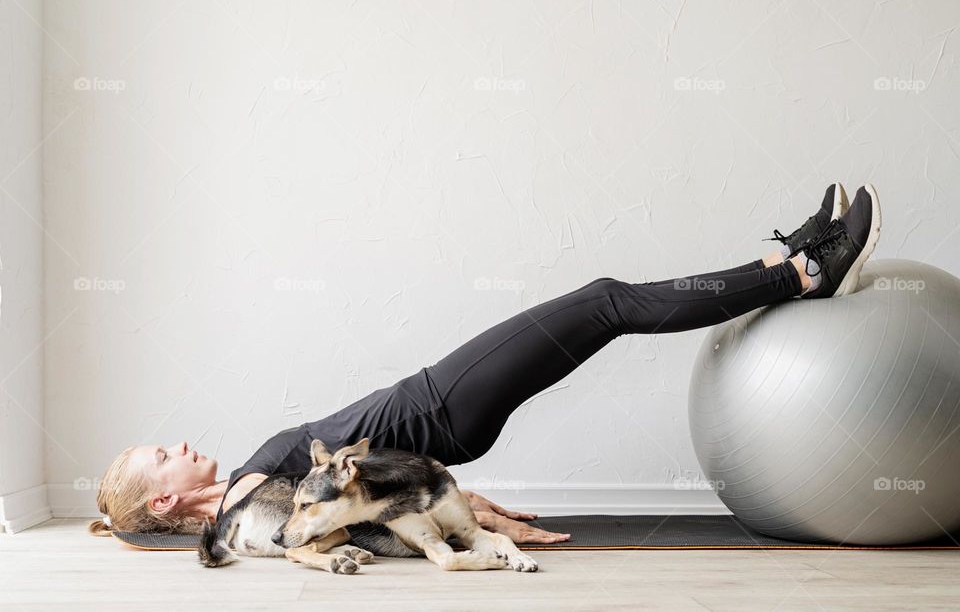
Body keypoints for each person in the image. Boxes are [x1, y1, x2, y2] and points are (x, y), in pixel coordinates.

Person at [88, 184, 881, 544]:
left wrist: (460, 497)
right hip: (439, 405)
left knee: (605, 310)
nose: (181, 448)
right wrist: (463, 513)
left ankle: (784, 264)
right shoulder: (250, 503)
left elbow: (365, 493)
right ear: (163, 501)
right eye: (164, 457)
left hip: (443, 410)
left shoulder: (243, 495)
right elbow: (355, 508)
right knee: (605, 301)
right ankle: (799, 274)